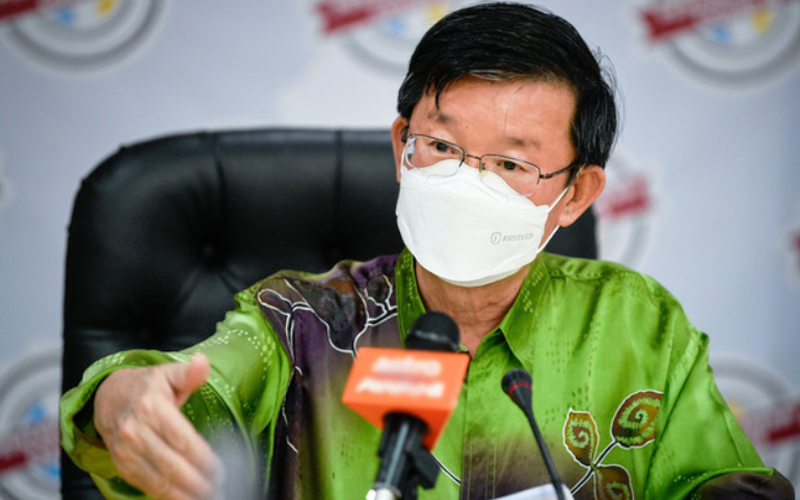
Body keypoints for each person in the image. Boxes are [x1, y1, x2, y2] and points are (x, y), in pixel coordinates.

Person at [60, 3, 794, 500]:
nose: (466, 183)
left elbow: (727, 486)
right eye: (440, 146)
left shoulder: (638, 327)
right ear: (401, 147)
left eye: (510, 163)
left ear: (576, 194)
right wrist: (121, 399)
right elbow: (190, 393)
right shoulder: (302, 319)